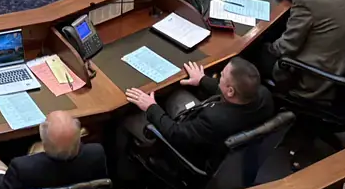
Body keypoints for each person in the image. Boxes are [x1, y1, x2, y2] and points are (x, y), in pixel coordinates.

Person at [115, 59, 274, 182]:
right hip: (202, 129)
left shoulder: (214, 120)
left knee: (124, 119)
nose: (219, 78)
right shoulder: (263, 97)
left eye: (222, 77)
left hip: (187, 148)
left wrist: (151, 107)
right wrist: (202, 79)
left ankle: (129, 180)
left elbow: (176, 134)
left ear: (230, 90)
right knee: (176, 94)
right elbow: (229, 93)